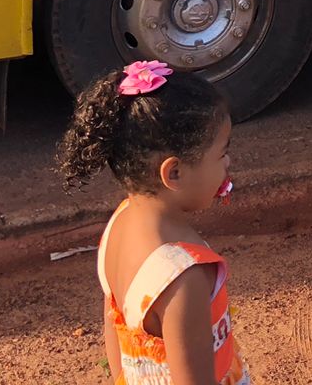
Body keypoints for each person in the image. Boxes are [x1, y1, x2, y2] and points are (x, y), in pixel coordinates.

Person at [57, 61, 253, 385]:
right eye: (221, 154)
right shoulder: (184, 277)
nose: (228, 162)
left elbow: (114, 324)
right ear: (174, 173)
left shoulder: (119, 223)